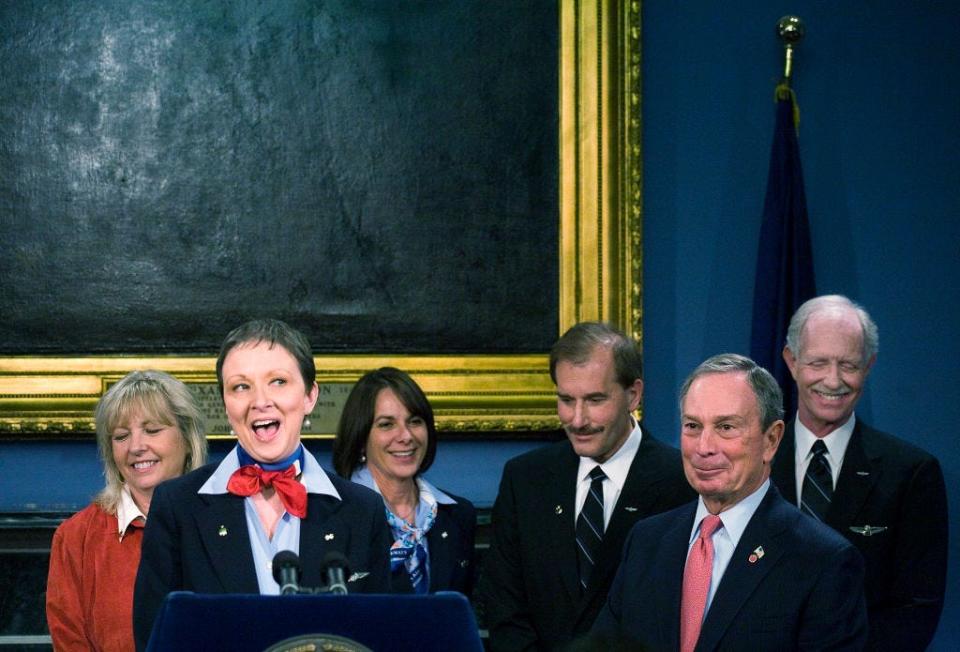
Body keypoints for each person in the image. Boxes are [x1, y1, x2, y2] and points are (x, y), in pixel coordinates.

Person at [133, 319, 391, 651]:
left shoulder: (362, 509)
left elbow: (379, 636)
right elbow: (154, 639)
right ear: (226, 404)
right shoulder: (177, 505)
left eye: (278, 382)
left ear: (310, 395)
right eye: (241, 387)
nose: (260, 401)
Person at [592, 353, 867, 651]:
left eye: (726, 427)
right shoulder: (646, 542)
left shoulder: (823, 560)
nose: (704, 448)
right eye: (693, 426)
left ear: (771, 440)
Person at [480, 322, 695, 651]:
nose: (577, 419)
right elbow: (504, 608)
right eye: (566, 400)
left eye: (595, 400)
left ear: (633, 394)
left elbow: (681, 613)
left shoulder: (681, 481)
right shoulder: (525, 479)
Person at [772, 295, 948, 651]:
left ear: (869, 365)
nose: (833, 381)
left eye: (848, 365)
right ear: (792, 362)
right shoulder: (753, 462)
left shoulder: (911, 474)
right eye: (818, 362)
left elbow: (915, 612)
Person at [46, 370, 208, 652]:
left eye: (153, 430)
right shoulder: (76, 537)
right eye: (121, 436)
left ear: (187, 437)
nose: (135, 447)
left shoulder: (227, 517)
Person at [332, 367, 476, 594]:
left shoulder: (458, 515)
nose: (406, 436)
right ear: (360, 438)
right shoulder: (333, 514)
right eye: (387, 424)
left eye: (415, 421)